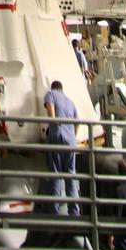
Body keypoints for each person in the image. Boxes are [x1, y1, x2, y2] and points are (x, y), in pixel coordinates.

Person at [43, 79, 80, 216]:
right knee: (71, 176)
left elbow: (51, 112)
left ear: (53, 88)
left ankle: (54, 212)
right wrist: (72, 136)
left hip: (57, 137)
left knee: (56, 174)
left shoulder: (50, 94)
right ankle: (74, 213)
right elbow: (77, 123)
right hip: (70, 141)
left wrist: (54, 122)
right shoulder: (70, 101)